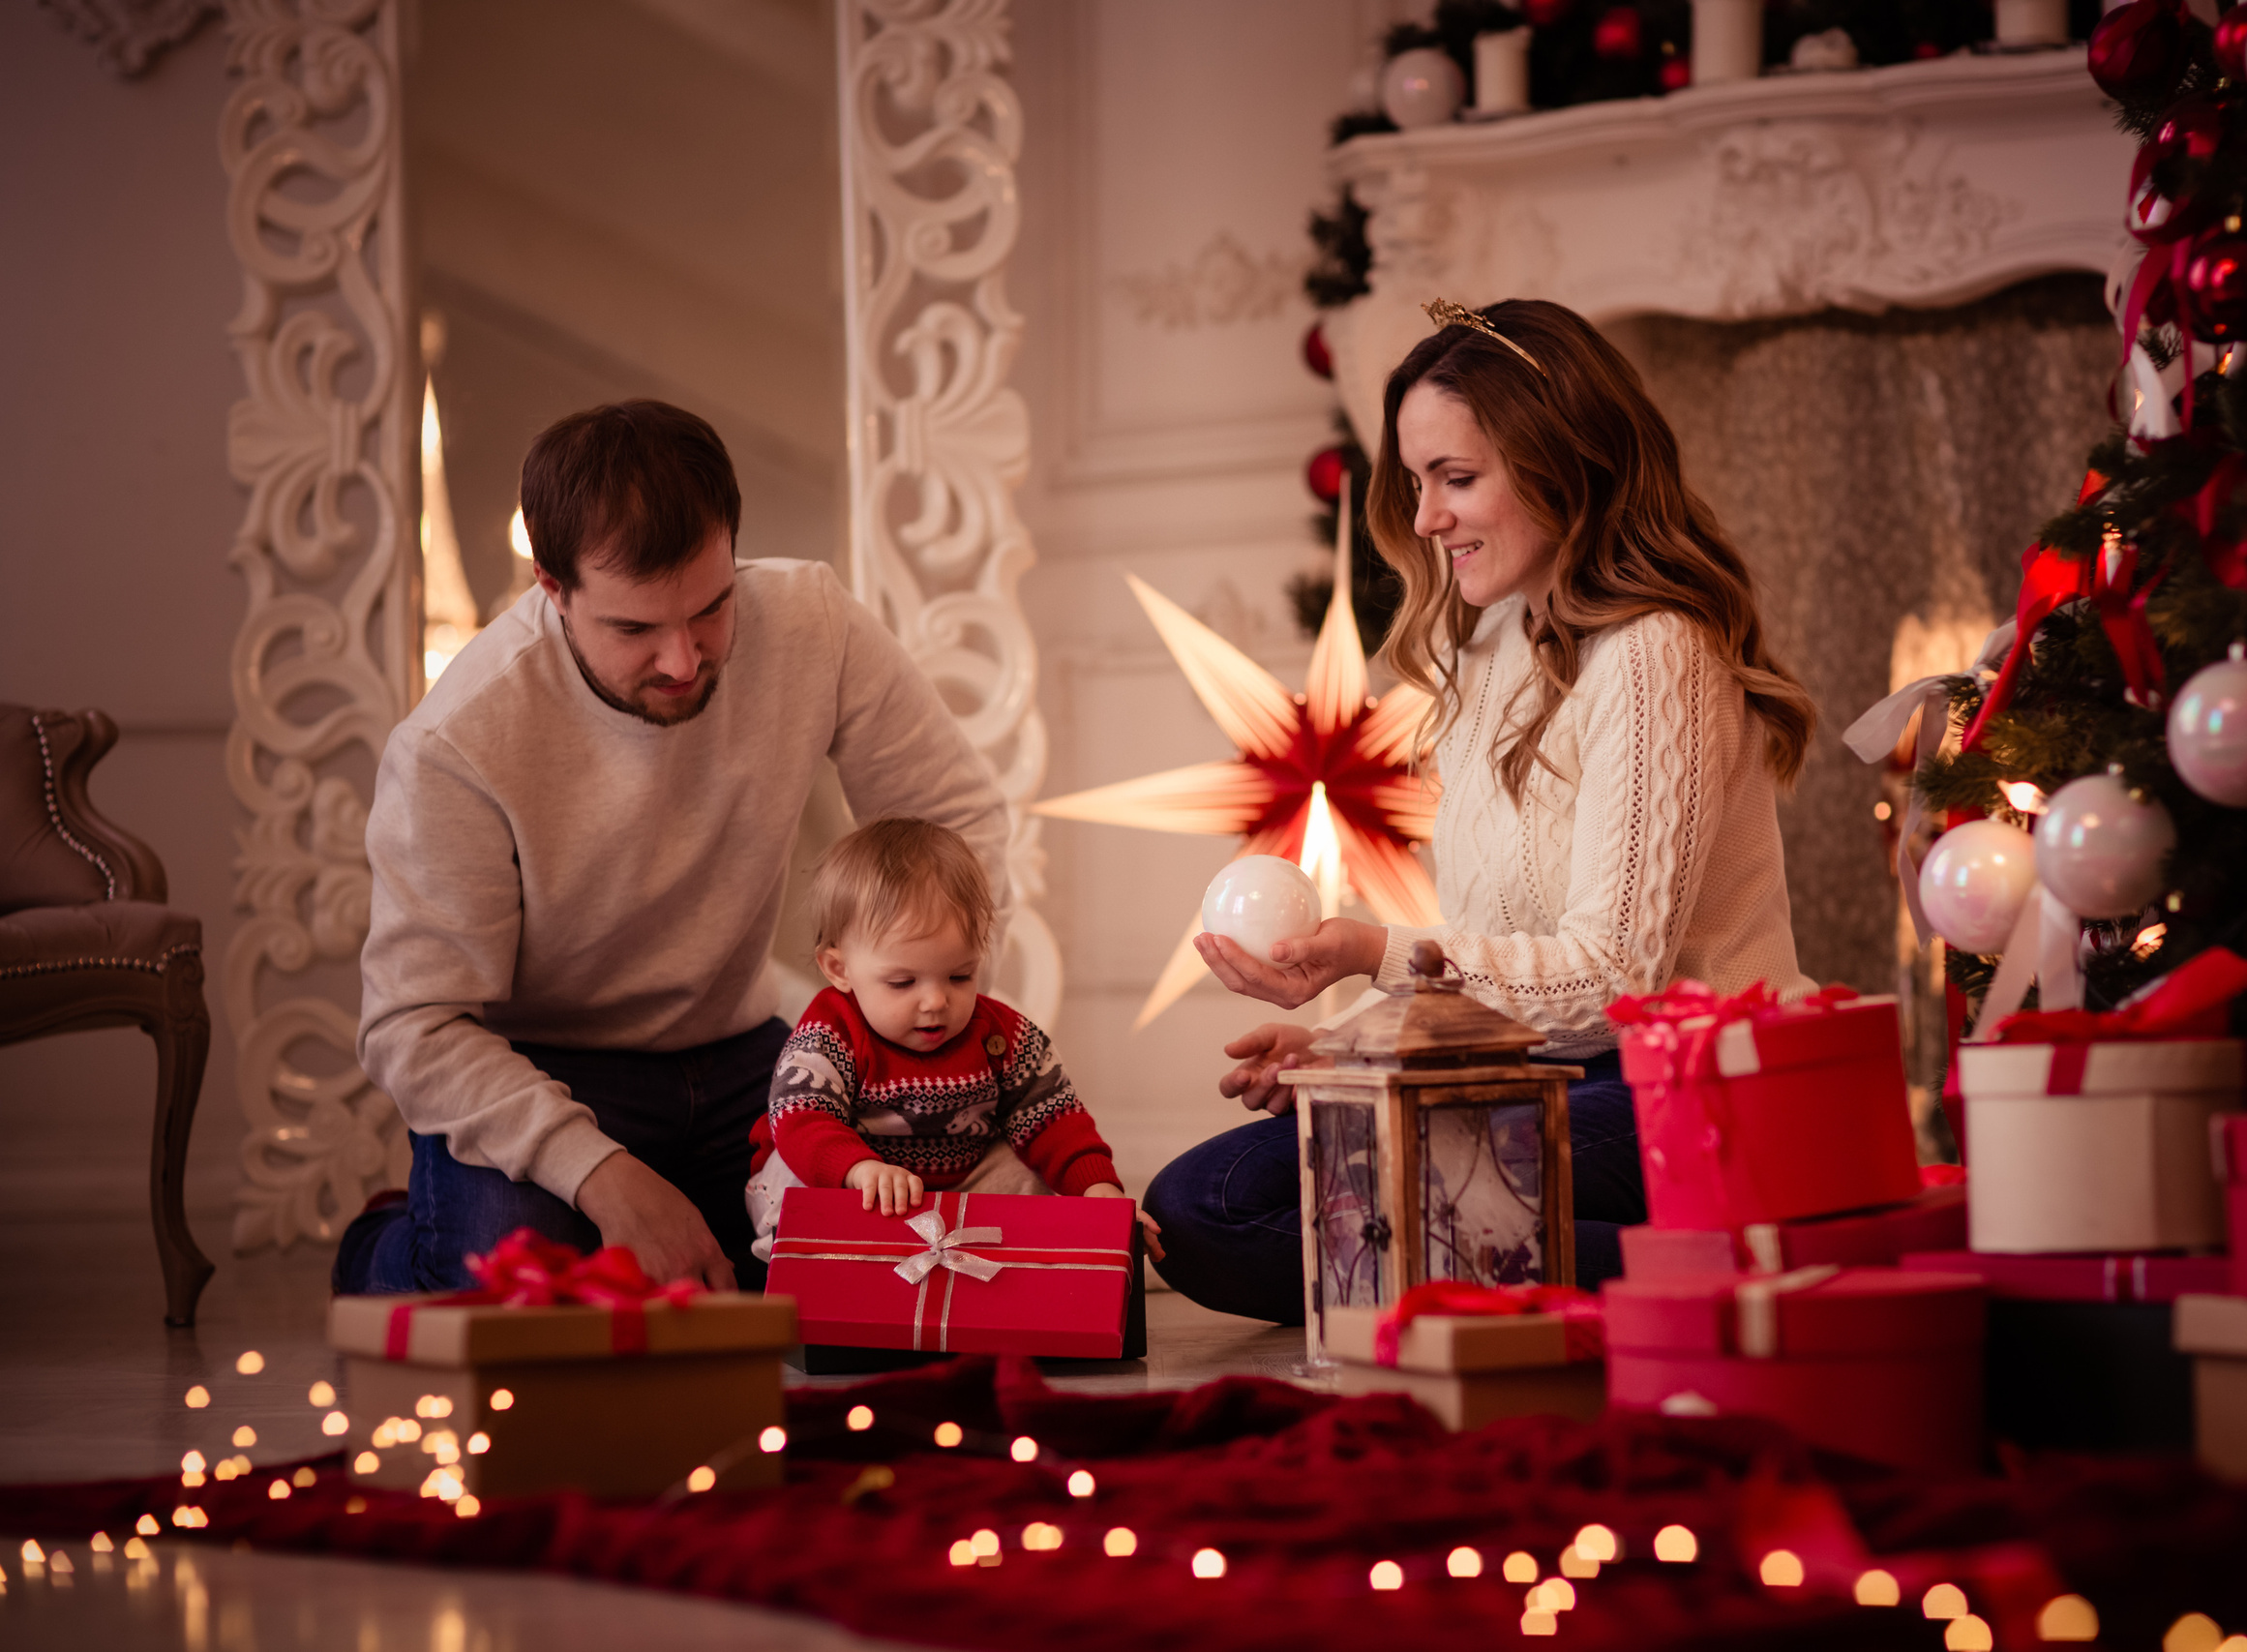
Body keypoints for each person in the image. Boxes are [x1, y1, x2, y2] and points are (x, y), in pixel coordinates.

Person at [1144, 298, 1817, 1323]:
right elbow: (1504, 960)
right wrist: (1354, 1049)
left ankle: (1721, 1259)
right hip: (1548, 1081)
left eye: (1457, 480)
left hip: (1680, 1090)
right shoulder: (1485, 640)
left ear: (1567, 463)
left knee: (1281, 1218)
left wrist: (1374, 953)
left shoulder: (1655, 653)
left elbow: (1611, 983)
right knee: (1200, 1206)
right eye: (1417, 483)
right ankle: (1696, 1262)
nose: (1423, 520)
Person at [336, 400, 1013, 1295]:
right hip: (545, 1066)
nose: (685, 660)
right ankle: (384, 1242)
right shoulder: (455, 744)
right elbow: (410, 1025)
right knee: (520, 1298)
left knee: (871, 1280)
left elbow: (951, 815)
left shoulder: (813, 620)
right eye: (634, 630)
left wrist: (932, 1023)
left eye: (710, 609)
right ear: (551, 586)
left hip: (747, 1050)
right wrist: (603, 1176)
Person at [743, 817, 1161, 1261]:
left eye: (960, 976)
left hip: (962, 1181)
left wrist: (1098, 1189)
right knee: (789, 1177)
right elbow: (803, 1118)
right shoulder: (829, 1034)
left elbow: (1056, 1121)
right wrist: (858, 1169)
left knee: (1026, 1171)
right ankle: (808, 1271)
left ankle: (1010, 1282)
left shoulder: (1004, 1038)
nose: (936, 1001)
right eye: (903, 983)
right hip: (853, 1183)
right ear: (839, 969)